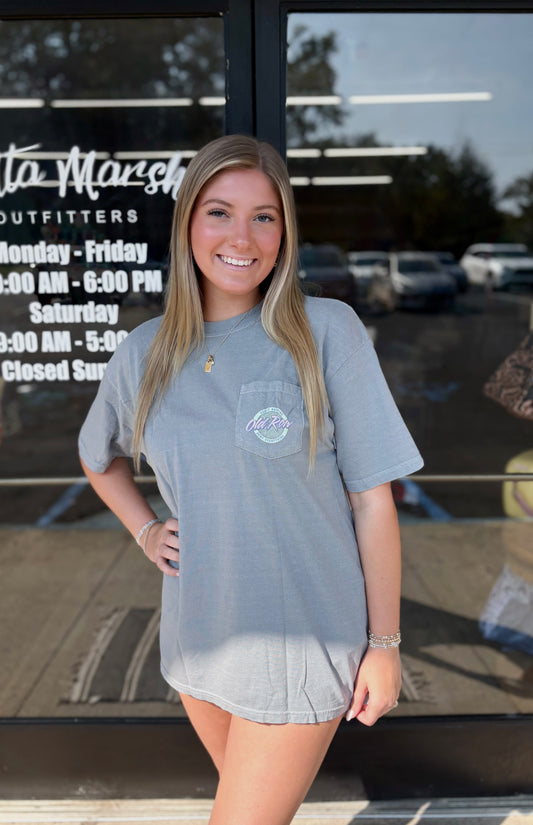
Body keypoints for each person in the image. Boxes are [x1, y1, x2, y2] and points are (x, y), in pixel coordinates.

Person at [79, 134, 423, 825]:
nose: (243, 236)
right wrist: (145, 528)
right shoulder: (144, 351)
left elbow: (372, 502)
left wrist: (383, 646)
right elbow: (97, 455)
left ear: (284, 233)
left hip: (302, 640)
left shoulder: (325, 331)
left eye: (264, 216)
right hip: (199, 639)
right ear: (187, 225)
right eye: (219, 212)